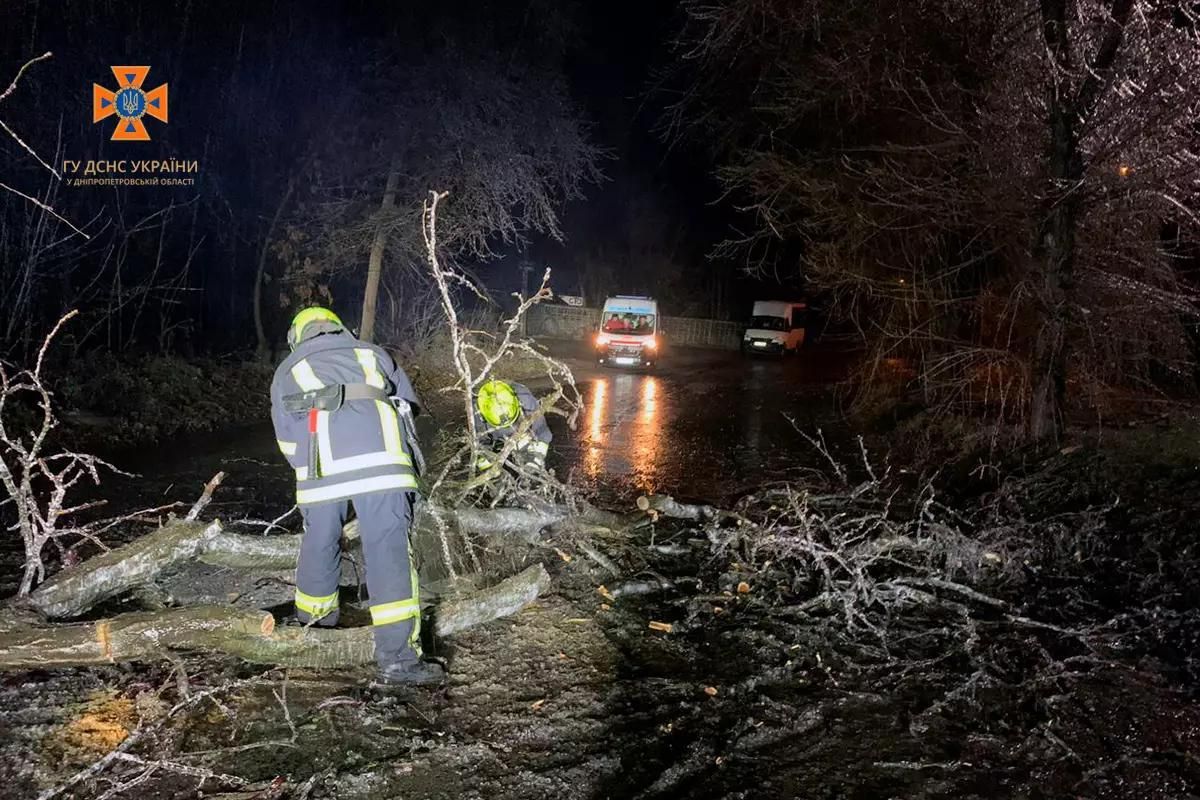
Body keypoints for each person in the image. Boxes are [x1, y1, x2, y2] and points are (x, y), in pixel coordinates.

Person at [270, 306, 443, 686]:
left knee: (319, 542)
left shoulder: (288, 369)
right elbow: (408, 407)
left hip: (322, 467)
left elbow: (286, 437)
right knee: (389, 552)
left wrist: (309, 473)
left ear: (298, 336)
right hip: (385, 464)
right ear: (337, 327)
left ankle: (314, 627)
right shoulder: (372, 352)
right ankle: (398, 662)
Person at [473, 379, 552, 472]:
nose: (510, 426)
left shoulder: (524, 397)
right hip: (500, 442)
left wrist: (535, 461)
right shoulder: (479, 414)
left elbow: (542, 430)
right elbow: (481, 444)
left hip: (526, 436)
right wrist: (489, 468)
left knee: (531, 452)